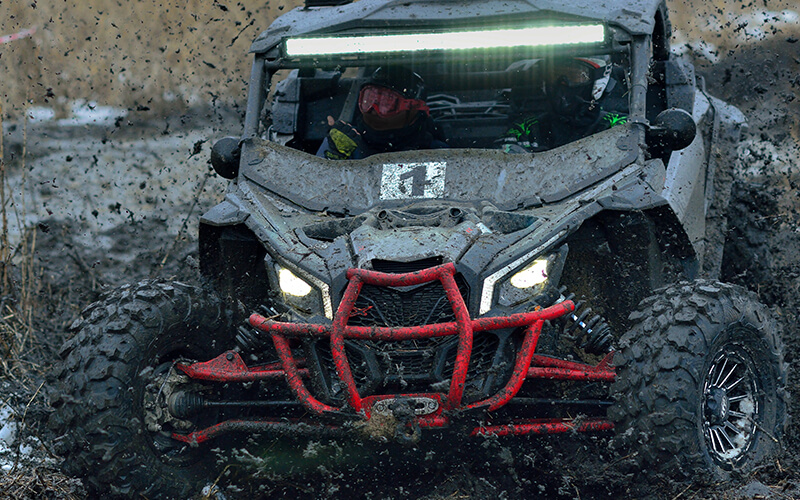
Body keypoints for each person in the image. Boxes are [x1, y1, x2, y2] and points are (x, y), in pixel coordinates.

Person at [497, 57, 628, 153]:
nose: (563, 83)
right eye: (554, 76)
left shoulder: (616, 125)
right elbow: (504, 163)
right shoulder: (526, 128)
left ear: (597, 81)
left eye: (575, 76)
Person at [317, 66, 447, 160]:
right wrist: (332, 160)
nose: (373, 110)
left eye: (386, 103)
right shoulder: (343, 143)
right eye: (369, 99)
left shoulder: (437, 154)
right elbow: (316, 184)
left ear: (413, 110)